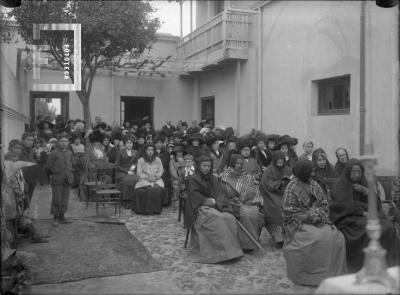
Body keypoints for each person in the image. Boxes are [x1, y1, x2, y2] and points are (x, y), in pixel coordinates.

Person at [282, 159, 347, 286]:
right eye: (310, 171)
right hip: (298, 222)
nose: (313, 173)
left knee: (335, 236)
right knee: (317, 238)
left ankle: (332, 274)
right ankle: (312, 276)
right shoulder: (291, 187)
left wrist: (317, 213)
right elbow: (290, 212)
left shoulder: (314, 184)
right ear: (303, 172)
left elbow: (324, 203)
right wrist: (309, 216)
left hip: (318, 218)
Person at [329, 159, 400, 272]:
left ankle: (390, 263)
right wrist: (362, 212)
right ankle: (365, 265)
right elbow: (343, 206)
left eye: (359, 172)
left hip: (367, 214)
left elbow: (377, 203)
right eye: (354, 171)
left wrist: (366, 191)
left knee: (388, 226)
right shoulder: (341, 185)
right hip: (348, 217)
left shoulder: (364, 182)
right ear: (348, 171)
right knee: (369, 230)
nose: (357, 175)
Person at [186, 155, 244, 263]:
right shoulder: (193, 179)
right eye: (204, 166)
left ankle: (232, 251)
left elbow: (220, 193)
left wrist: (218, 202)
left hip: (216, 205)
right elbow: (194, 195)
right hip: (200, 207)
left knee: (229, 217)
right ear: (199, 166)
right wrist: (208, 201)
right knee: (216, 218)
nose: (207, 168)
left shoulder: (213, 178)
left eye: (208, 166)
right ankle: (221, 253)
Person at [219, 154, 265, 251]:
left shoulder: (246, 176)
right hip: (231, 203)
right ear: (232, 164)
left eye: (240, 163)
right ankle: (246, 244)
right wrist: (234, 199)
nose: (239, 165)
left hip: (247, 202)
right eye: (237, 163)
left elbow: (253, 191)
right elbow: (222, 194)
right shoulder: (224, 176)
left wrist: (254, 200)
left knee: (257, 213)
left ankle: (251, 241)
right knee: (246, 214)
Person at [259, 151, 292, 246]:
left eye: (282, 160)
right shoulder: (268, 170)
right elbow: (265, 185)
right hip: (271, 195)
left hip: (287, 194)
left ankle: (291, 235)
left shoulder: (288, 169)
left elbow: (294, 181)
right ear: (274, 160)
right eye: (278, 160)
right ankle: (279, 238)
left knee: (291, 206)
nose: (280, 161)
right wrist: (280, 183)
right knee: (278, 208)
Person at [47, 134, 73, 226]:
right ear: (58, 142)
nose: (64, 143)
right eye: (62, 141)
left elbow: (71, 164)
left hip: (68, 179)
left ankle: (62, 216)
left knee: (65, 199)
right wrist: (56, 172)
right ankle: (55, 218)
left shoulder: (70, 152)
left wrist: (69, 173)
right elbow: (49, 166)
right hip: (57, 179)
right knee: (57, 199)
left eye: (66, 141)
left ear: (68, 142)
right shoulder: (54, 153)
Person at [134, 143, 165, 214]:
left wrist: (156, 177)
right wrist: (147, 178)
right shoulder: (141, 160)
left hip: (156, 179)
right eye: (149, 150)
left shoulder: (158, 159)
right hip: (144, 180)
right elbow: (139, 172)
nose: (150, 152)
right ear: (145, 151)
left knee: (157, 189)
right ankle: (147, 210)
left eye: (152, 150)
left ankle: (156, 210)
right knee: (149, 189)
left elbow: (161, 171)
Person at [116, 135, 139, 208]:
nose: (129, 144)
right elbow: (117, 165)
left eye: (131, 143)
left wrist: (135, 165)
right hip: (122, 172)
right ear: (125, 144)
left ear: (132, 144)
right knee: (126, 181)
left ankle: (133, 201)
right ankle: (125, 201)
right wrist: (126, 172)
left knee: (136, 179)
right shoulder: (120, 152)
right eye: (127, 143)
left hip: (132, 171)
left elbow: (138, 162)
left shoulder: (135, 152)